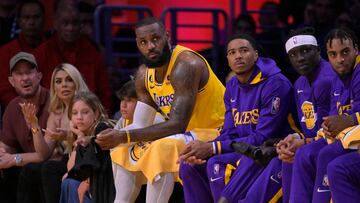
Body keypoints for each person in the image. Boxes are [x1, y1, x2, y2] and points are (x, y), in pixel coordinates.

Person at [95, 17, 225, 202]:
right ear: (138, 45)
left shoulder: (186, 64)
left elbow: (177, 125)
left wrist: (124, 135)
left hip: (218, 130)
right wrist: (116, 136)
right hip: (187, 133)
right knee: (122, 148)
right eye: (143, 42)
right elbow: (140, 124)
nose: (150, 46)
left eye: (155, 39)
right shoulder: (143, 75)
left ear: (167, 37)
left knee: (160, 148)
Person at [179, 33, 296, 203]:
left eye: (244, 50)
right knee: (189, 165)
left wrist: (214, 148)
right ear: (227, 58)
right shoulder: (232, 85)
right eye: (232, 52)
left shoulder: (275, 84)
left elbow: (263, 137)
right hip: (242, 149)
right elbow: (229, 131)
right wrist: (206, 147)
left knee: (217, 164)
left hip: (270, 149)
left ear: (256, 54)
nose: (238, 56)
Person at [229, 27, 335, 203]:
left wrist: (302, 142)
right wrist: (292, 139)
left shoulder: (326, 80)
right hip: (313, 143)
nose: (300, 58)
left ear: (318, 50)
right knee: (287, 153)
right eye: (293, 54)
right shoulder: (300, 82)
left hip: (332, 143)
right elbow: (309, 128)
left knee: (298, 155)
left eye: (306, 51)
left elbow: (328, 130)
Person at [290, 28, 360, 203]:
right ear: (328, 57)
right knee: (298, 154)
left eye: (345, 52)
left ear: (356, 50)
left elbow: (349, 117)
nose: (340, 59)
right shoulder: (336, 79)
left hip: (353, 140)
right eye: (333, 54)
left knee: (328, 156)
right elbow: (331, 120)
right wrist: (325, 131)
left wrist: (350, 119)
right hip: (346, 138)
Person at [20, 63, 90, 202]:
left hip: (84, 160)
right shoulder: (56, 114)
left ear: (77, 82)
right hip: (66, 160)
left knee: (50, 168)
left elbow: (88, 140)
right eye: (58, 81)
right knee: (30, 170)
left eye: (69, 79)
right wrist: (35, 125)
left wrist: (67, 136)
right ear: (54, 87)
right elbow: (43, 153)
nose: (64, 85)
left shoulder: (87, 106)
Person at [33, 0, 111, 111]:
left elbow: (104, 93)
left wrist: (102, 118)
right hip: (51, 114)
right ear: (55, 24)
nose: (70, 28)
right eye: (65, 23)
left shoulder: (93, 53)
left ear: (81, 25)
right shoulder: (41, 53)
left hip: (87, 116)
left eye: (74, 23)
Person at [0, 52, 49, 203]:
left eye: (29, 72)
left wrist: (15, 159)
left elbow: (44, 156)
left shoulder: (54, 103)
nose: (25, 78)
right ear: (11, 81)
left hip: (51, 167)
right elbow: (7, 146)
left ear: (39, 76)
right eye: (19, 74)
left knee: (30, 171)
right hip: (27, 168)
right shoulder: (13, 107)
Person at [60, 91, 115, 203]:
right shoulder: (82, 135)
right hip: (96, 186)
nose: (79, 117)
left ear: (96, 114)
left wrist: (87, 182)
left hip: (108, 188)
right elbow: (71, 169)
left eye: (85, 112)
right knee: (68, 183)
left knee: (69, 184)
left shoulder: (102, 128)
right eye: (74, 113)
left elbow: (101, 165)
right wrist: (79, 134)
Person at [0, 0, 47, 110]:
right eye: (26, 18)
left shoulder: (53, 49)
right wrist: (24, 109)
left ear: (44, 19)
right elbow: (4, 90)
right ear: (19, 21)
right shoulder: (5, 52)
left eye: (36, 17)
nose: (31, 22)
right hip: (17, 111)